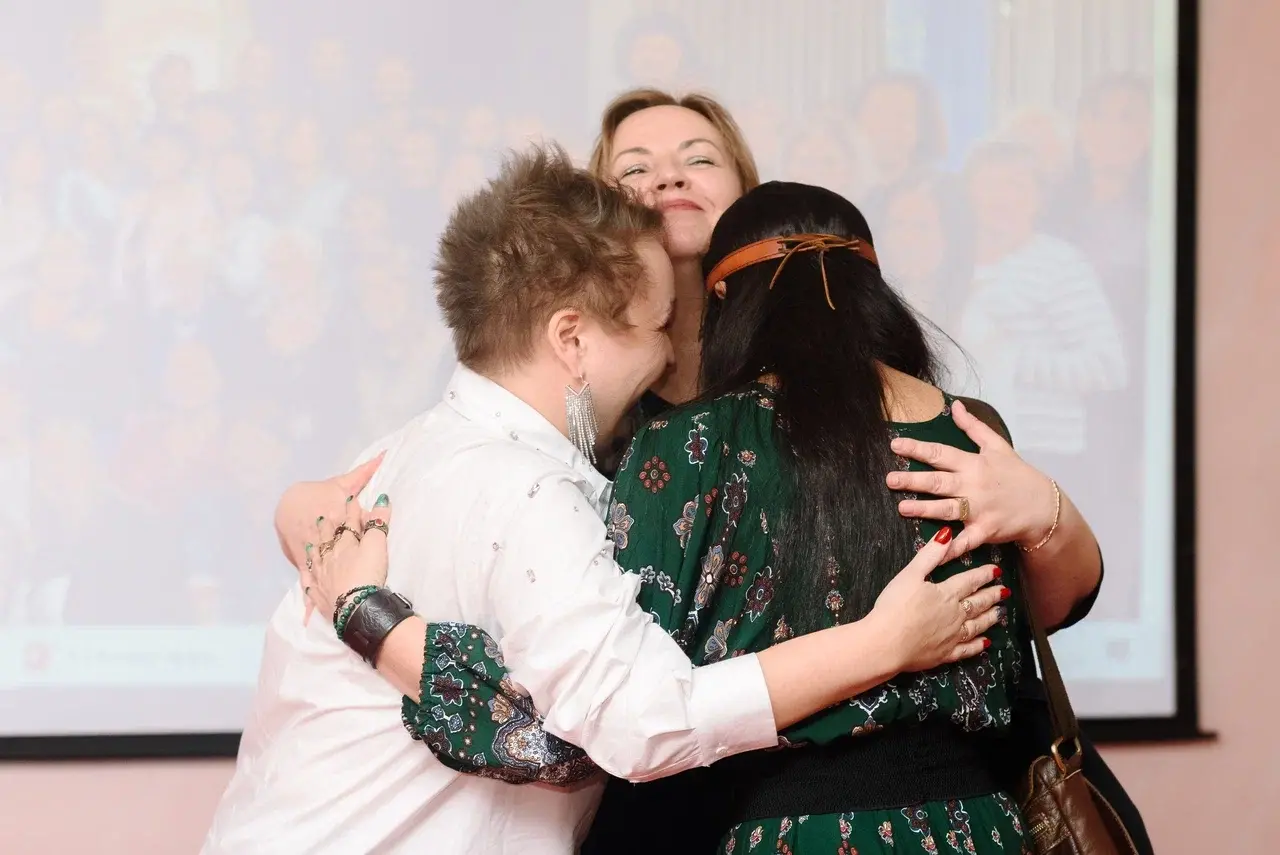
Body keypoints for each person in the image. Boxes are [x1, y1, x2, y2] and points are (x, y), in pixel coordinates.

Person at [275, 89, 1150, 855]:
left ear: (745, 200)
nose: (666, 179)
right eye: (635, 169)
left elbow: (1047, 604)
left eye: (697, 158)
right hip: (673, 805)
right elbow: (603, 716)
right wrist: (318, 528)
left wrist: (1047, 510)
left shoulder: (912, 414)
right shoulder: (564, 414)